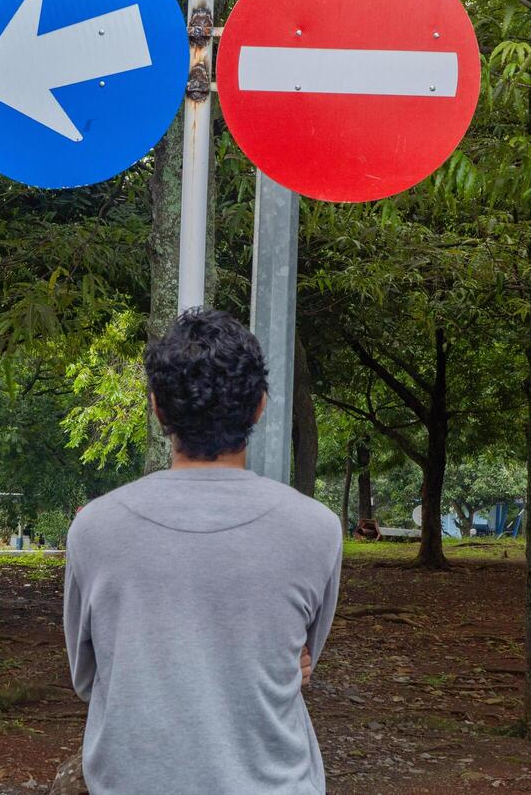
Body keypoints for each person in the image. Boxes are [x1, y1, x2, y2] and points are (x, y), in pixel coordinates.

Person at [63, 308, 343, 794]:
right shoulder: (317, 529)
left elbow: (88, 676)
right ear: (259, 406)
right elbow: (298, 664)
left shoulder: (94, 529)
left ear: (157, 409)